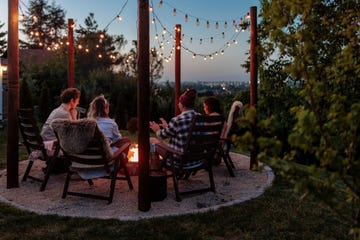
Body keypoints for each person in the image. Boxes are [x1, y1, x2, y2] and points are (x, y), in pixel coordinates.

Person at [149, 88, 199, 159]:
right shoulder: (199, 117)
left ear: (183, 105)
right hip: (196, 160)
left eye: (179, 102)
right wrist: (167, 126)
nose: (178, 104)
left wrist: (157, 130)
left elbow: (162, 136)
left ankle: (155, 165)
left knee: (151, 141)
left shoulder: (177, 120)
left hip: (179, 159)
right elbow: (181, 133)